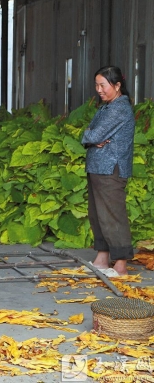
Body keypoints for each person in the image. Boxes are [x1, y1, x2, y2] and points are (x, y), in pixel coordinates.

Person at [82, 65, 135, 277]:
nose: (99, 90)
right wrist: (92, 136)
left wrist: (91, 137)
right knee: (98, 215)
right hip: (98, 167)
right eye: (97, 85)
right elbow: (91, 133)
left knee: (113, 215)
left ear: (117, 85)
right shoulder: (106, 107)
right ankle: (102, 259)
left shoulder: (119, 109)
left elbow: (93, 135)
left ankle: (120, 265)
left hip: (111, 168)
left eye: (103, 85)